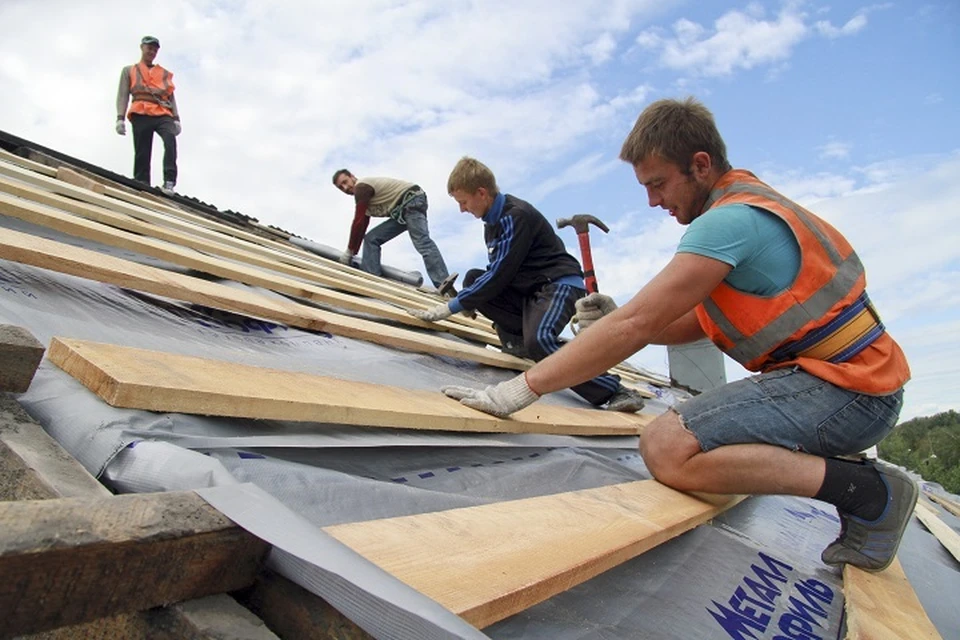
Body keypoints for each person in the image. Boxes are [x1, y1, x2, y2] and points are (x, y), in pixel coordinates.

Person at [441, 99, 915, 573]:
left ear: (700, 165)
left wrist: (521, 389)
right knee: (684, 435)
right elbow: (691, 322)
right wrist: (616, 316)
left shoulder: (727, 222)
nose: (653, 201)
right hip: (856, 385)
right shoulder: (749, 203)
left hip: (847, 392)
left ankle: (869, 493)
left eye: (658, 184)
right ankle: (860, 486)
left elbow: (637, 326)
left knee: (667, 447)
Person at [415, 156, 645, 413]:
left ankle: (614, 389)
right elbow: (495, 273)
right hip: (530, 292)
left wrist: (454, 305)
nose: (462, 209)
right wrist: (472, 296)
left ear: (481, 193)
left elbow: (501, 273)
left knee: (541, 340)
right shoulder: (491, 225)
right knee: (473, 279)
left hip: (558, 286)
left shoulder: (516, 216)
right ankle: (519, 343)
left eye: (463, 202)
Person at [332, 170, 456, 291]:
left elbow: (358, 222)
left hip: (411, 200)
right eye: (341, 187)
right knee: (371, 238)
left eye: (345, 181)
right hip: (402, 212)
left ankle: (443, 283)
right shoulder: (365, 202)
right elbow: (362, 226)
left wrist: (349, 251)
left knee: (422, 241)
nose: (345, 187)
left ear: (352, 176)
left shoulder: (361, 187)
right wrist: (353, 251)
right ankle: (372, 278)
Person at [116, 36, 181, 194]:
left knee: (170, 141)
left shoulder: (163, 73)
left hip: (162, 112)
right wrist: (120, 118)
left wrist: (176, 118)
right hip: (141, 110)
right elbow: (123, 94)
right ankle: (142, 181)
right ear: (142, 48)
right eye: (149, 48)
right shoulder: (129, 70)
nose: (151, 51)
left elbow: (171, 96)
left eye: (154, 49)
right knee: (142, 149)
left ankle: (169, 181)